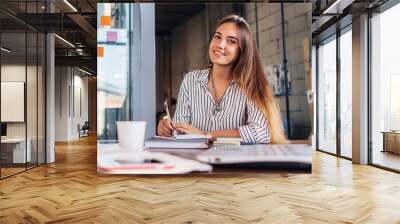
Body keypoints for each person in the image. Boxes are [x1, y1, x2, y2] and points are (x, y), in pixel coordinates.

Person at [157, 14, 287, 144]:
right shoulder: (190, 80)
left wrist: (206, 135)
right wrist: (168, 128)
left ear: (242, 50)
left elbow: (260, 132)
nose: (220, 44)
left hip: (236, 162)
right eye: (217, 37)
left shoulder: (251, 84)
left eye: (231, 41)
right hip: (198, 160)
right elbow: (181, 129)